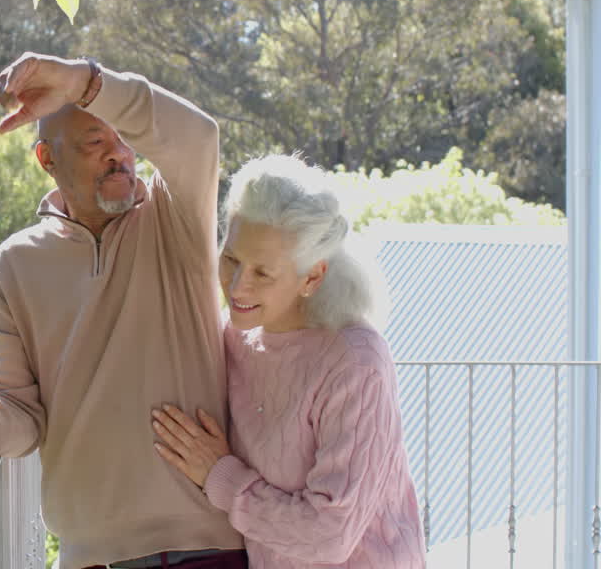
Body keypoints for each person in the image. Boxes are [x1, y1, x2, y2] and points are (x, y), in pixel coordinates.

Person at [0, 53, 245, 569]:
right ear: (47, 159)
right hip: (89, 559)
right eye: (95, 143)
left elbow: (197, 137)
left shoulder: (175, 219)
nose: (119, 154)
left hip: (203, 550)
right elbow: (22, 419)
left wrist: (84, 82)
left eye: (123, 139)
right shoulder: (15, 265)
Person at [150, 154, 425, 569]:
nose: (238, 284)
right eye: (231, 260)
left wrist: (219, 477)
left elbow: (329, 534)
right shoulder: (233, 335)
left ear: (312, 277)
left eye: (263, 273)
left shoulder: (355, 361)